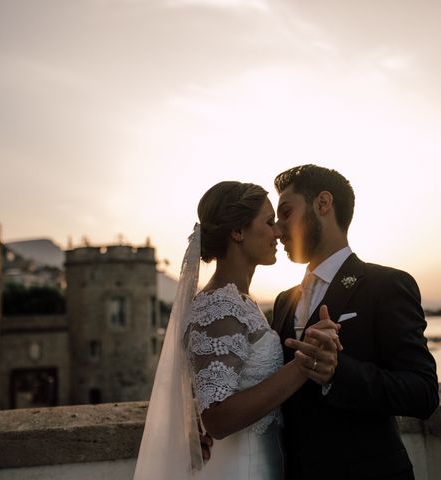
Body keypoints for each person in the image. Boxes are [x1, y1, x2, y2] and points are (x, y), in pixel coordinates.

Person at [133, 181, 341, 480]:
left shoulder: (240, 302)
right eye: (269, 222)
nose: (279, 232)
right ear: (238, 232)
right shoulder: (219, 306)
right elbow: (217, 418)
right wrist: (305, 364)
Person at [271, 164, 439, 479]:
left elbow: (423, 393)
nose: (278, 229)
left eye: (286, 213)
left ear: (323, 204)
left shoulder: (386, 285)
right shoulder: (284, 301)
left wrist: (339, 372)